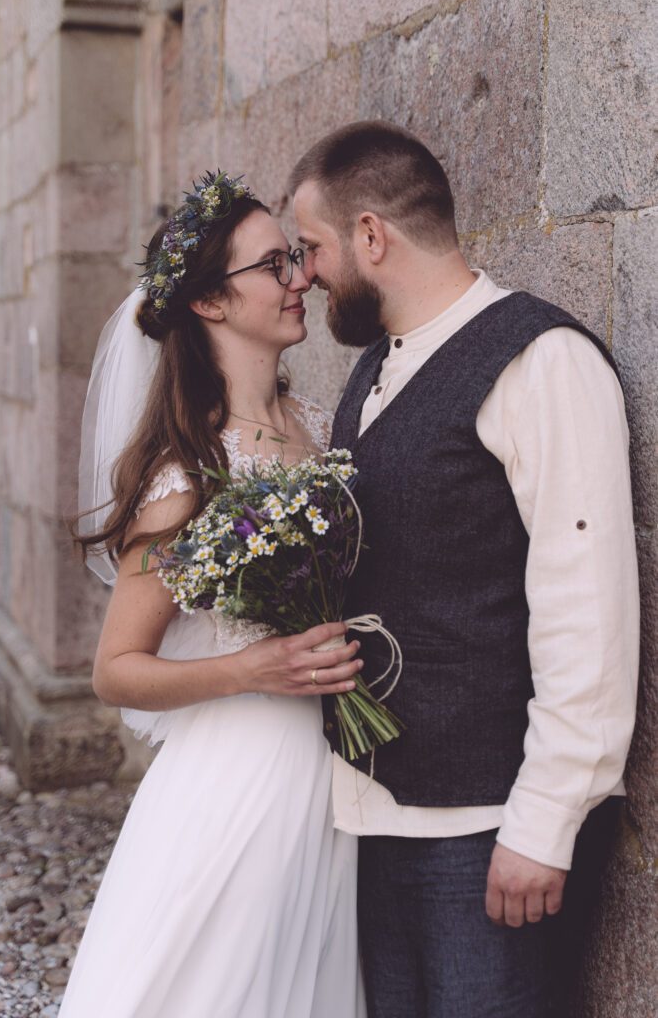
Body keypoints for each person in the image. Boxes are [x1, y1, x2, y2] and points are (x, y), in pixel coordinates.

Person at [289, 122, 639, 1017]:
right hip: (378, 813)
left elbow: (585, 607)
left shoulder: (540, 360)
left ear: (372, 237)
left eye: (313, 248)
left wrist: (544, 822)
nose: (305, 274)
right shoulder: (372, 371)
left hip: (489, 828)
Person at [60, 172, 366, 1018]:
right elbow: (116, 670)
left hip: (330, 768)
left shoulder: (320, 421)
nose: (299, 278)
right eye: (273, 265)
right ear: (210, 304)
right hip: (241, 778)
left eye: (293, 260)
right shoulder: (185, 471)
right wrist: (253, 666)